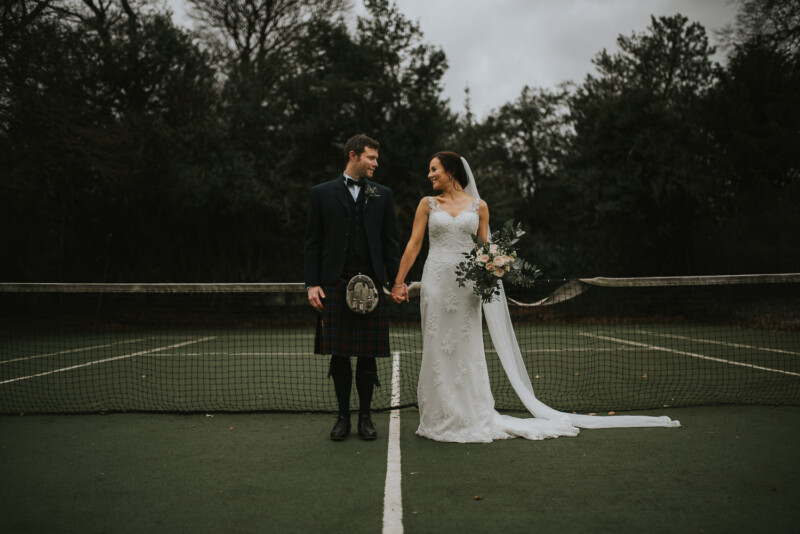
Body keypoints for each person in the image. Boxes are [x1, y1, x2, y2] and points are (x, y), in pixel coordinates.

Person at [391, 151, 679, 443]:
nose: (429, 175)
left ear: (451, 171)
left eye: (434, 169)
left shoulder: (480, 206)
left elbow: (484, 248)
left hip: (468, 288)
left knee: (466, 346)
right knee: (437, 344)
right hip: (437, 282)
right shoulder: (427, 204)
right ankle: (438, 415)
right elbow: (415, 244)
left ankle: (469, 414)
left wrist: (496, 264)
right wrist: (399, 282)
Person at [304, 134, 402, 441]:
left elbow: (390, 244)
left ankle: (366, 417)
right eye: (371, 157)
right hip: (335, 283)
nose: (376, 163)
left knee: (368, 356)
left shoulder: (382, 194)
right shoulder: (321, 194)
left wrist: (398, 282)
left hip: (372, 286)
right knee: (339, 355)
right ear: (353, 155)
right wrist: (312, 284)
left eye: (376, 158)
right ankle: (343, 417)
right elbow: (312, 243)